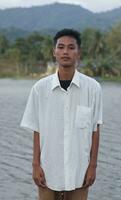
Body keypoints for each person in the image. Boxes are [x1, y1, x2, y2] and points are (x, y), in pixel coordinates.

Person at [20, 28, 102, 200]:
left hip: (79, 170)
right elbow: (37, 129)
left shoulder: (92, 88)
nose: (66, 52)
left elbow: (95, 130)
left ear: (78, 53)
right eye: (61, 47)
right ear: (54, 52)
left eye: (71, 47)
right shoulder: (39, 89)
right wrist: (35, 164)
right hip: (49, 170)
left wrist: (92, 166)